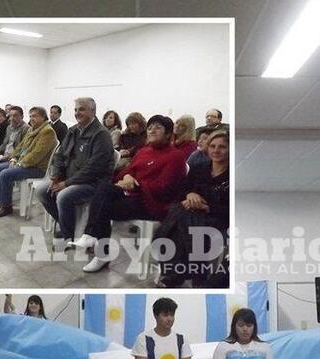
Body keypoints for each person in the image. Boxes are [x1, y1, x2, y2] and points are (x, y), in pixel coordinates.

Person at [74, 115, 188, 274]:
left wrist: (136, 184)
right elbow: (127, 171)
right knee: (104, 188)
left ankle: (100, 250)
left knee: (102, 207)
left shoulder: (175, 156)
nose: (152, 130)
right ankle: (92, 237)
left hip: (153, 203)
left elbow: (165, 188)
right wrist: (127, 177)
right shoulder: (144, 151)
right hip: (134, 195)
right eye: (150, 127)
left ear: (168, 134)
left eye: (157, 127)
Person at [154, 129, 230, 287]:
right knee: (184, 217)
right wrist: (189, 195)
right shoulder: (199, 168)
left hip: (217, 218)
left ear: (230, 149)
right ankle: (195, 272)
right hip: (191, 214)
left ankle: (175, 274)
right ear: (207, 148)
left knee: (179, 225)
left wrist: (206, 206)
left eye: (222, 147)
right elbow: (181, 191)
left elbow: (230, 210)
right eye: (213, 146)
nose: (216, 150)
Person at [38, 97, 114, 242]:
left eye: (82, 109)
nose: (77, 113)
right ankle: (65, 222)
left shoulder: (101, 134)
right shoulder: (74, 130)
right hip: (69, 177)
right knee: (42, 191)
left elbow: (94, 168)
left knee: (63, 196)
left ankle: (68, 235)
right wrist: (56, 176)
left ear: (92, 111)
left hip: (93, 183)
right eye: (76, 110)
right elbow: (60, 154)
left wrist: (66, 183)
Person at [0, 107, 57, 218]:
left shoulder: (47, 131)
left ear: (43, 117)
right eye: (30, 116)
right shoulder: (33, 129)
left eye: (35, 116)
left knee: (5, 174)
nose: (32, 119)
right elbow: (21, 147)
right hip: (24, 163)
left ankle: (6, 207)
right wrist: (13, 157)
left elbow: (36, 155)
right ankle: (1, 202)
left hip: (37, 168)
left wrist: (19, 163)